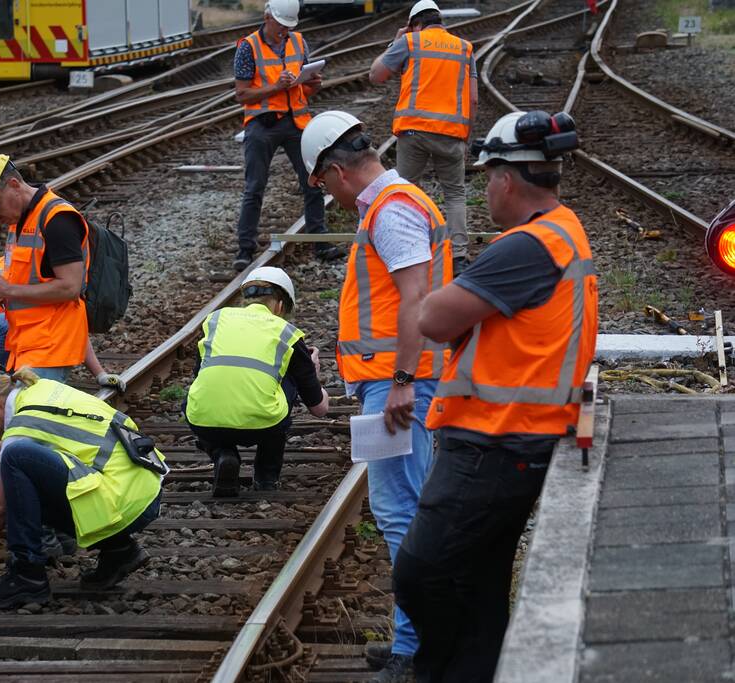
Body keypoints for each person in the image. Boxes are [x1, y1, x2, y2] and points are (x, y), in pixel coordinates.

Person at [392, 111, 597, 683]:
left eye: (487, 179)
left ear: (508, 179)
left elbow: (432, 317)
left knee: (420, 572)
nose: (484, 190)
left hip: (495, 439)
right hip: (519, 436)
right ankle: (478, 668)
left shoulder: (527, 247)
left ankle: (442, 668)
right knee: (477, 577)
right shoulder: (565, 228)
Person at [301, 111, 452, 683]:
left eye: (320, 185)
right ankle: (414, 639)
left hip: (399, 386)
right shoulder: (398, 203)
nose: (327, 196)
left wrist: (403, 382)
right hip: (395, 381)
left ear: (336, 172)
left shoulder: (392, 212)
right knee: (405, 509)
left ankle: (417, 650)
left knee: (399, 513)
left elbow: (416, 298)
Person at [0, 355, 166, 608]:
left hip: (124, 501)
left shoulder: (21, 427)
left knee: (18, 467)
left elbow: (1, 501)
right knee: (21, 465)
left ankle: (27, 576)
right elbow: (24, 458)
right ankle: (119, 551)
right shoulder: (40, 389)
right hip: (141, 488)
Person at [0, 150, 121, 389]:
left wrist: (9, 290)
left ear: (13, 184)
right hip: (26, 345)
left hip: (50, 347)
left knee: (33, 420)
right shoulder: (20, 221)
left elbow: (70, 287)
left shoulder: (57, 220)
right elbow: (32, 280)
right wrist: (1, 291)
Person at [184, 266, 329, 496]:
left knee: (199, 392)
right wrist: (312, 372)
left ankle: (223, 454)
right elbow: (319, 409)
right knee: (286, 382)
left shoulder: (216, 320)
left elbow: (200, 374)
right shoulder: (286, 332)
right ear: (280, 306)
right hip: (263, 426)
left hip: (205, 422)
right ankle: (266, 476)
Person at [232, 0, 342, 272]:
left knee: (312, 181)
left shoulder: (298, 42)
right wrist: (275, 87)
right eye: (281, 25)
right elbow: (242, 94)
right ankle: (245, 248)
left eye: (289, 26)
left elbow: (304, 89)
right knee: (254, 187)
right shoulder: (248, 46)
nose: (285, 31)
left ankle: (319, 240)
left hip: (296, 122)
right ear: (267, 16)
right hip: (263, 125)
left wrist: (313, 83)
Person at [369, 0, 478, 274]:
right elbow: (474, 99)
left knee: (406, 192)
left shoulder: (411, 42)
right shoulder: (464, 48)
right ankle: (460, 257)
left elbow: (376, 75)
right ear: (440, 20)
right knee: (454, 194)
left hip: (414, 131)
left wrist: (394, 43)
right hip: (451, 134)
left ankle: (409, 251)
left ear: (415, 25)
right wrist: (465, 136)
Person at [0, 255, 126, 392]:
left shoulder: (54, 281)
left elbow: (73, 325)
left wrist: (100, 375)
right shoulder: (18, 272)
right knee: (12, 324)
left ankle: (7, 389)